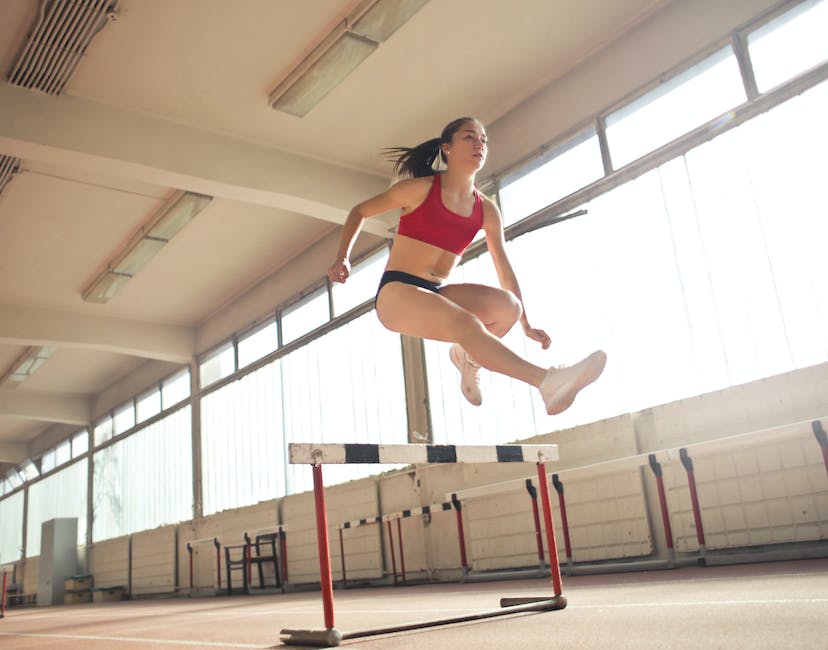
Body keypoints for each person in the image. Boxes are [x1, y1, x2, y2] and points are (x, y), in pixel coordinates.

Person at [327, 117, 606, 415]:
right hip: (397, 293)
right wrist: (343, 256)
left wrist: (524, 322)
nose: (479, 145)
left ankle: (467, 357)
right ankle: (547, 382)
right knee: (467, 324)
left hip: (435, 293)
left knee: (509, 307)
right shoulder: (419, 189)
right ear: (447, 148)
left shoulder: (486, 209)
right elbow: (361, 211)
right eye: (470, 138)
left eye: (484, 140)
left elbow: (503, 265)